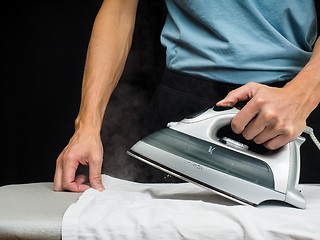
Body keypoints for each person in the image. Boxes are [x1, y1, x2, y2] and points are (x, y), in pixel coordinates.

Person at [54, 0, 320, 192]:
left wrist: (300, 97)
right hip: (184, 98)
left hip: (287, 107)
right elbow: (119, 9)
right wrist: (87, 126)